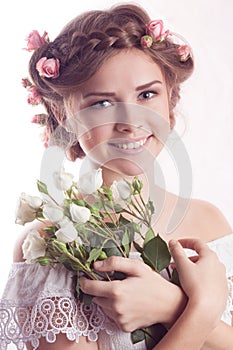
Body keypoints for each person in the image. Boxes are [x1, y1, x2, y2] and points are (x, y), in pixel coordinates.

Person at [0, 3, 232, 350]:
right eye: (101, 103)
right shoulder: (54, 248)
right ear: (63, 116)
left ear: (170, 101)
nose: (130, 120)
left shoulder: (208, 221)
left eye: (147, 94)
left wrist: (171, 307)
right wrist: (199, 311)